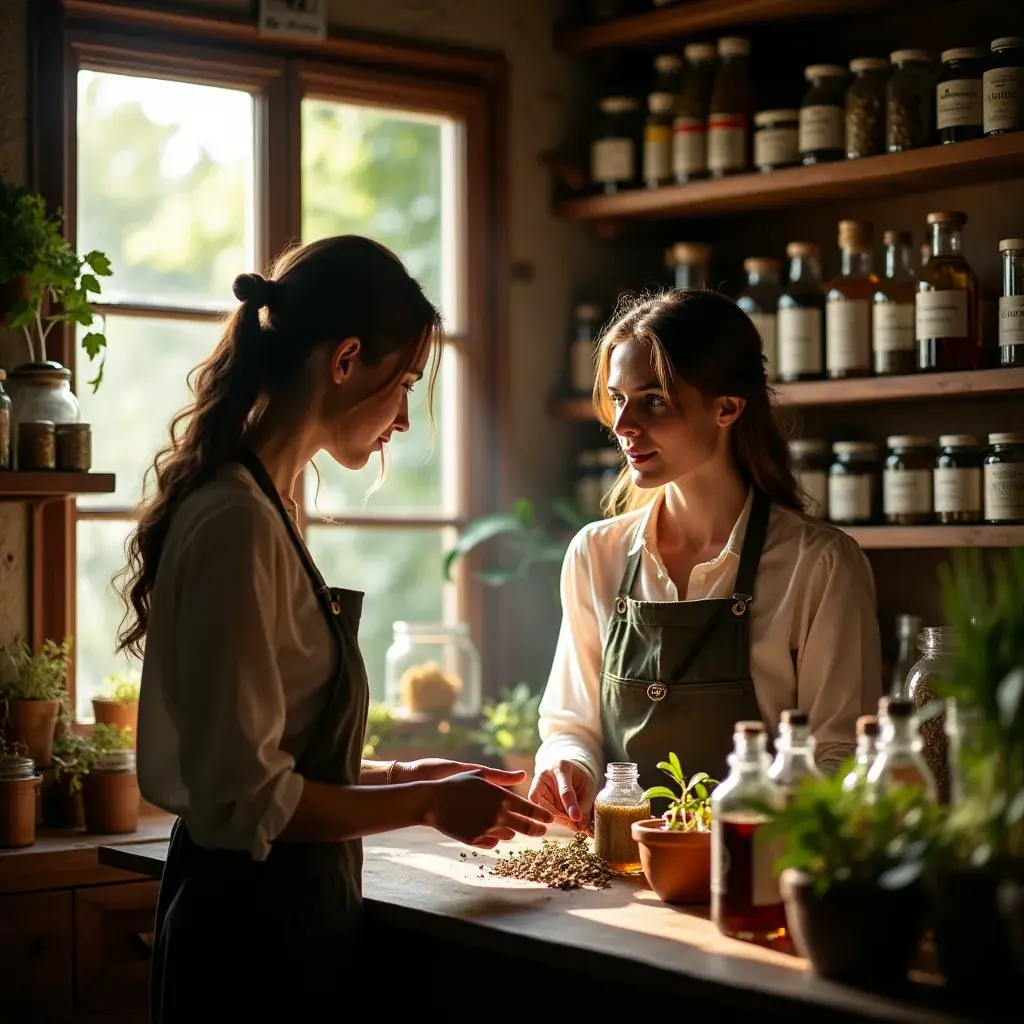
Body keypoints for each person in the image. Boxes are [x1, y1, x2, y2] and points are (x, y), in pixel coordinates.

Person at [116, 236, 553, 1020]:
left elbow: (276, 751)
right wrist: (425, 808)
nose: (405, 419)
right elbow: (248, 802)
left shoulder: (272, 508)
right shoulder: (235, 523)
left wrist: (407, 775)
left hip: (296, 920)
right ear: (347, 359)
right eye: (407, 383)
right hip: (247, 941)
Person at [529, 289, 882, 831]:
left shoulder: (820, 565)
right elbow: (572, 724)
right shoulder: (595, 553)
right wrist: (567, 766)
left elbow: (836, 754)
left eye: (653, 400)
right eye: (618, 398)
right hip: (619, 868)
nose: (624, 425)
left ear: (726, 408)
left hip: (759, 867)